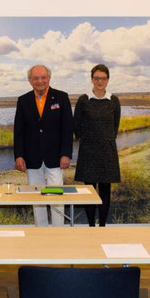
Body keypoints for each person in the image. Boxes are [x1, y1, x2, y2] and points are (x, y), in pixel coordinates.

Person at [14, 65, 74, 226]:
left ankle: (58, 232)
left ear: (49, 78)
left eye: (43, 77)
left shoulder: (61, 97)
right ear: (30, 80)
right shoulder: (23, 100)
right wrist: (19, 155)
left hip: (55, 158)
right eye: (36, 78)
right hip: (32, 158)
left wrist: (66, 154)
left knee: (55, 197)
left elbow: (68, 129)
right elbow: (18, 131)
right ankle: (41, 230)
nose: (40, 81)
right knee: (37, 197)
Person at [73, 64, 121, 227]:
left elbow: (115, 126)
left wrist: (104, 139)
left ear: (108, 80)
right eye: (96, 78)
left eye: (103, 78)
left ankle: (102, 227)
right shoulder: (83, 100)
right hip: (88, 151)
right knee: (89, 191)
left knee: (105, 190)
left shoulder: (113, 100)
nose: (100, 81)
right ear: (92, 79)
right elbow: (76, 126)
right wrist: (90, 139)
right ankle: (91, 226)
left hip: (107, 151)